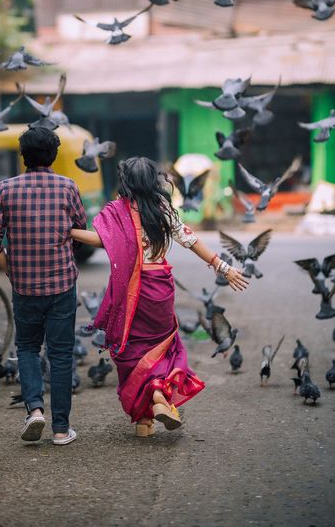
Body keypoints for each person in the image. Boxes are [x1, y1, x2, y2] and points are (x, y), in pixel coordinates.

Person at [71, 156, 248, 437]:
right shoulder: (163, 208)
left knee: (132, 351)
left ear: (126, 182)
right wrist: (223, 267)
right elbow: (191, 240)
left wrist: (66, 231)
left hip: (131, 293)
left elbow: (97, 239)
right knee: (162, 348)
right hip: (159, 290)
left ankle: (149, 407)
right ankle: (151, 411)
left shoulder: (117, 211)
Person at [0, 127, 87, 445]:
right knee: (60, 355)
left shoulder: (4, 189)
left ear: (22, 155)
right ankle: (60, 429)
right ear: (54, 156)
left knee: (27, 348)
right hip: (61, 285)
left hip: (24, 288)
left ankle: (35, 411)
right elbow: (80, 230)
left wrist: (12, 273)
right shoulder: (68, 187)